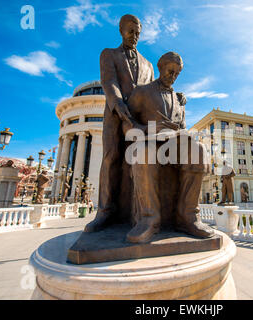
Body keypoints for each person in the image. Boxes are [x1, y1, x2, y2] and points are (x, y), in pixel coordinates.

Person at [125, 52, 214, 243]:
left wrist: (182, 132)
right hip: (149, 141)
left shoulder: (178, 99)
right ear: (160, 67)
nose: (173, 76)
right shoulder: (142, 92)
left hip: (174, 143)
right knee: (144, 153)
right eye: (170, 71)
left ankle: (187, 216)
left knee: (198, 150)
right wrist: (149, 129)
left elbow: (181, 126)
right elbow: (126, 124)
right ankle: (149, 219)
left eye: (177, 73)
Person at [84, 14, 155, 233]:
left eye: (138, 32)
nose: (135, 36)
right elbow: (109, 81)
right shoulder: (109, 54)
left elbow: (151, 92)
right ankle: (105, 212)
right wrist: (117, 103)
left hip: (140, 120)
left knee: (142, 161)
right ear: (121, 31)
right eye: (131, 31)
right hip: (116, 115)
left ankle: (140, 212)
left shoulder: (148, 64)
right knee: (112, 158)